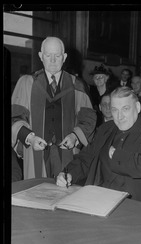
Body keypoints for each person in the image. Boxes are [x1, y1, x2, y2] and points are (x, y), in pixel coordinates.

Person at [56, 86, 141, 207]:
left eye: (125, 109)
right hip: (102, 199)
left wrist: (115, 154)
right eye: (115, 110)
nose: (119, 116)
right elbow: (86, 158)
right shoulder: (106, 129)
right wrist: (68, 173)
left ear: (137, 107)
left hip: (140, 203)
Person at [11, 36, 97, 180]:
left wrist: (75, 136)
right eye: (48, 55)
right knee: (36, 195)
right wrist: (30, 138)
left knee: (65, 195)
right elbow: (14, 116)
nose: (52, 60)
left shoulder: (78, 85)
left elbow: (88, 119)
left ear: (64, 57)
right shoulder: (26, 83)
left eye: (57, 56)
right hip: (35, 153)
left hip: (67, 153)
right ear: (40, 56)